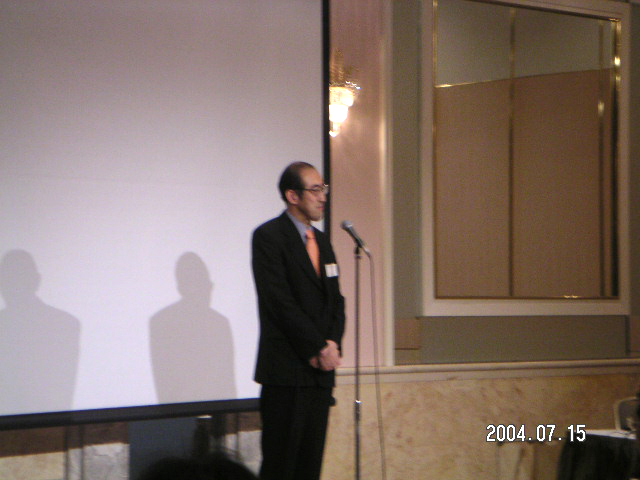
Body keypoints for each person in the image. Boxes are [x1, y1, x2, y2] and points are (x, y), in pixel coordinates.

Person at [251, 162, 346, 480]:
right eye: (315, 190)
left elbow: (336, 301)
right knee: (281, 467)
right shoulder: (268, 237)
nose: (323, 197)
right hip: (287, 371)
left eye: (324, 189)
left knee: (310, 466)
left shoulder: (323, 241)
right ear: (292, 195)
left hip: (320, 374)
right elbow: (280, 303)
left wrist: (333, 344)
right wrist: (317, 346)